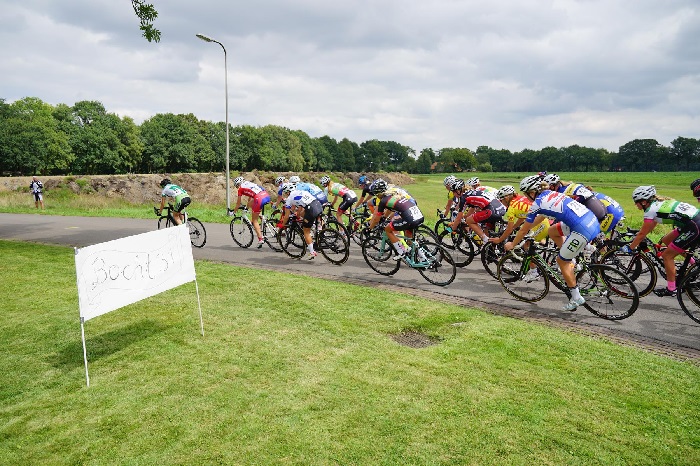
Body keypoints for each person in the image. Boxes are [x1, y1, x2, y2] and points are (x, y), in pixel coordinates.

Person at [505, 175, 600, 311]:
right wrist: (529, 228)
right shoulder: (551, 193)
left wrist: (512, 244)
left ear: (532, 192)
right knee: (552, 230)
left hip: (582, 229)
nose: (526, 197)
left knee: (561, 261)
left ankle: (576, 297)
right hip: (591, 220)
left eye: (526, 194)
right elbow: (540, 217)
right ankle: (573, 256)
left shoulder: (537, 203)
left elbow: (523, 229)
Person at [627, 185, 700, 297]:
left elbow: (642, 234)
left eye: (636, 201)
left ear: (643, 202)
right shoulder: (657, 204)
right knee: (666, 240)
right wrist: (640, 235)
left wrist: (630, 248)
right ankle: (694, 266)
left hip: (693, 226)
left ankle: (672, 289)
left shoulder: (650, 210)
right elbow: (651, 225)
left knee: (667, 256)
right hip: (691, 222)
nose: (635, 204)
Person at [366, 178, 424, 260]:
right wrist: (385, 217)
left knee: (388, 229)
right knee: (410, 238)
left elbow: (376, 219)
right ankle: (424, 258)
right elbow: (391, 208)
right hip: (418, 215)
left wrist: (369, 229)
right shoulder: (394, 192)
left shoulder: (383, 201)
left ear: (378, 193)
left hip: (409, 219)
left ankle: (401, 251)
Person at [448, 179, 506, 245]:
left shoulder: (463, 198)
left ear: (459, 190)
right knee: (486, 229)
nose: (453, 194)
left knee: (469, 220)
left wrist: (453, 228)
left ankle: (485, 240)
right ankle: (490, 248)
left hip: (491, 210)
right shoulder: (471, 192)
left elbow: (458, 218)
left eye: (454, 192)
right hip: (500, 207)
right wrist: (465, 216)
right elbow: (472, 208)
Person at [277, 182, 324, 260]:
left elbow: (286, 216)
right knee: (303, 215)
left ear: (288, 192)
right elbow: (300, 208)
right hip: (317, 205)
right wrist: (298, 215)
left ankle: (312, 252)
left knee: (306, 231)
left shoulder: (289, 199)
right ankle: (314, 228)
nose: (286, 194)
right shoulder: (300, 192)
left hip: (311, 209)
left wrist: (283, 225)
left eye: (286, 193)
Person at [233, 176, 271, 248]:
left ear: (238, 184)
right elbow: (250, 197)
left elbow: (238, 204)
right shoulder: (249, 183)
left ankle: (260, 239)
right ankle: (262, 219)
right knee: (251, 205)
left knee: (254, 221)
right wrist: (246, 208)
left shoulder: (240, 189)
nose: (237, 188)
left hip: (259, 198)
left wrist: (234, 212)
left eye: (236, 186)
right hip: (265, 195)